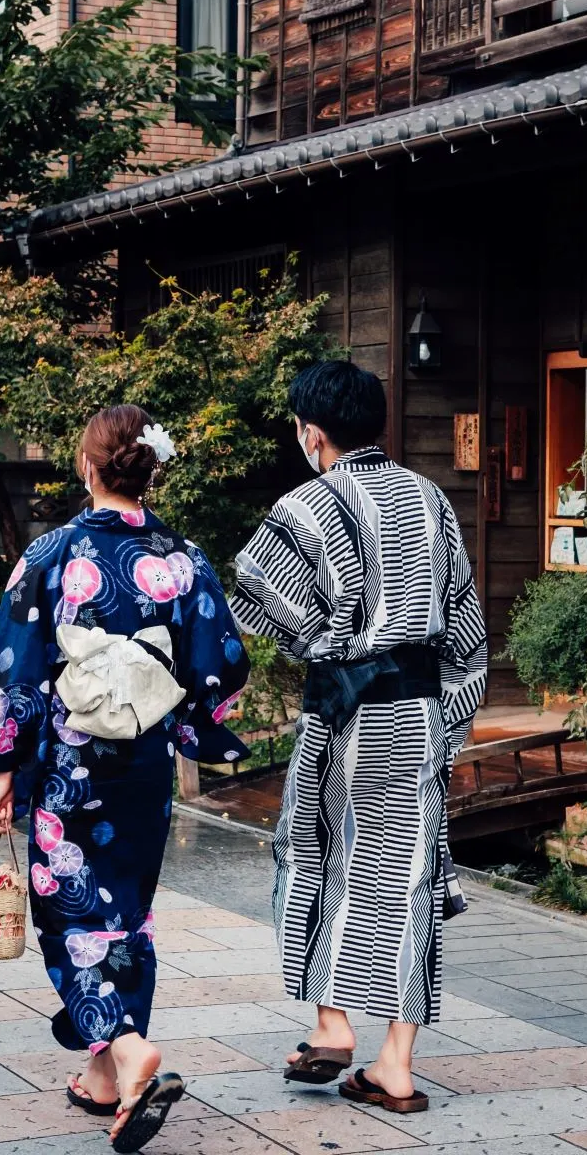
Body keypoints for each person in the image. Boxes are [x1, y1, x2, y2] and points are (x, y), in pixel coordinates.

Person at [0, 404, 250, 1153]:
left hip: (70, 768)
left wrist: (4, 767)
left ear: (88, 469)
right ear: (151, 471)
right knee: (127, 917)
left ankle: (127, 1047)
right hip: (143, 768)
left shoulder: (52, 553)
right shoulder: (184, 560)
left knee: (74, 919)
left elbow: (16, 665)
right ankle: (105, 1082)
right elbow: (221, 665)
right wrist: (183, 717)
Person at [229, 361, 486, 1115]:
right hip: (418, 716)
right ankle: (396, 1067)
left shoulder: (305, 505)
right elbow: (466, 630)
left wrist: (324, 639)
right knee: (408, 879)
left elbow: (253, 593)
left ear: (312, 433)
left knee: (315, 853)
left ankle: (332, 1023)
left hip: (344, 715)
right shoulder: (431, 499)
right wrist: (448, 724)